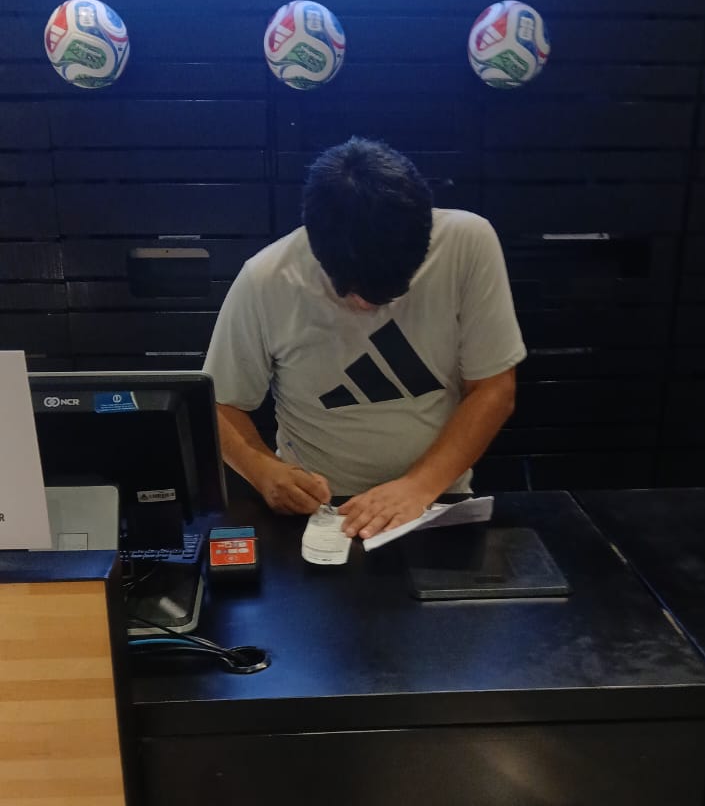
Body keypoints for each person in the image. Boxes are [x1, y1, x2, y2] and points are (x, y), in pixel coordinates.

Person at [203, 138, 526, 540]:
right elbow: (219, 405)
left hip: (436, 499)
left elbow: (494, 389)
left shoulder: (467, 242)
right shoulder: (266, 278)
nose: (369, 307)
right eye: (354, 293)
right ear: (316, 249)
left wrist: (418, 486)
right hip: (321, 513)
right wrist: (264, 471)